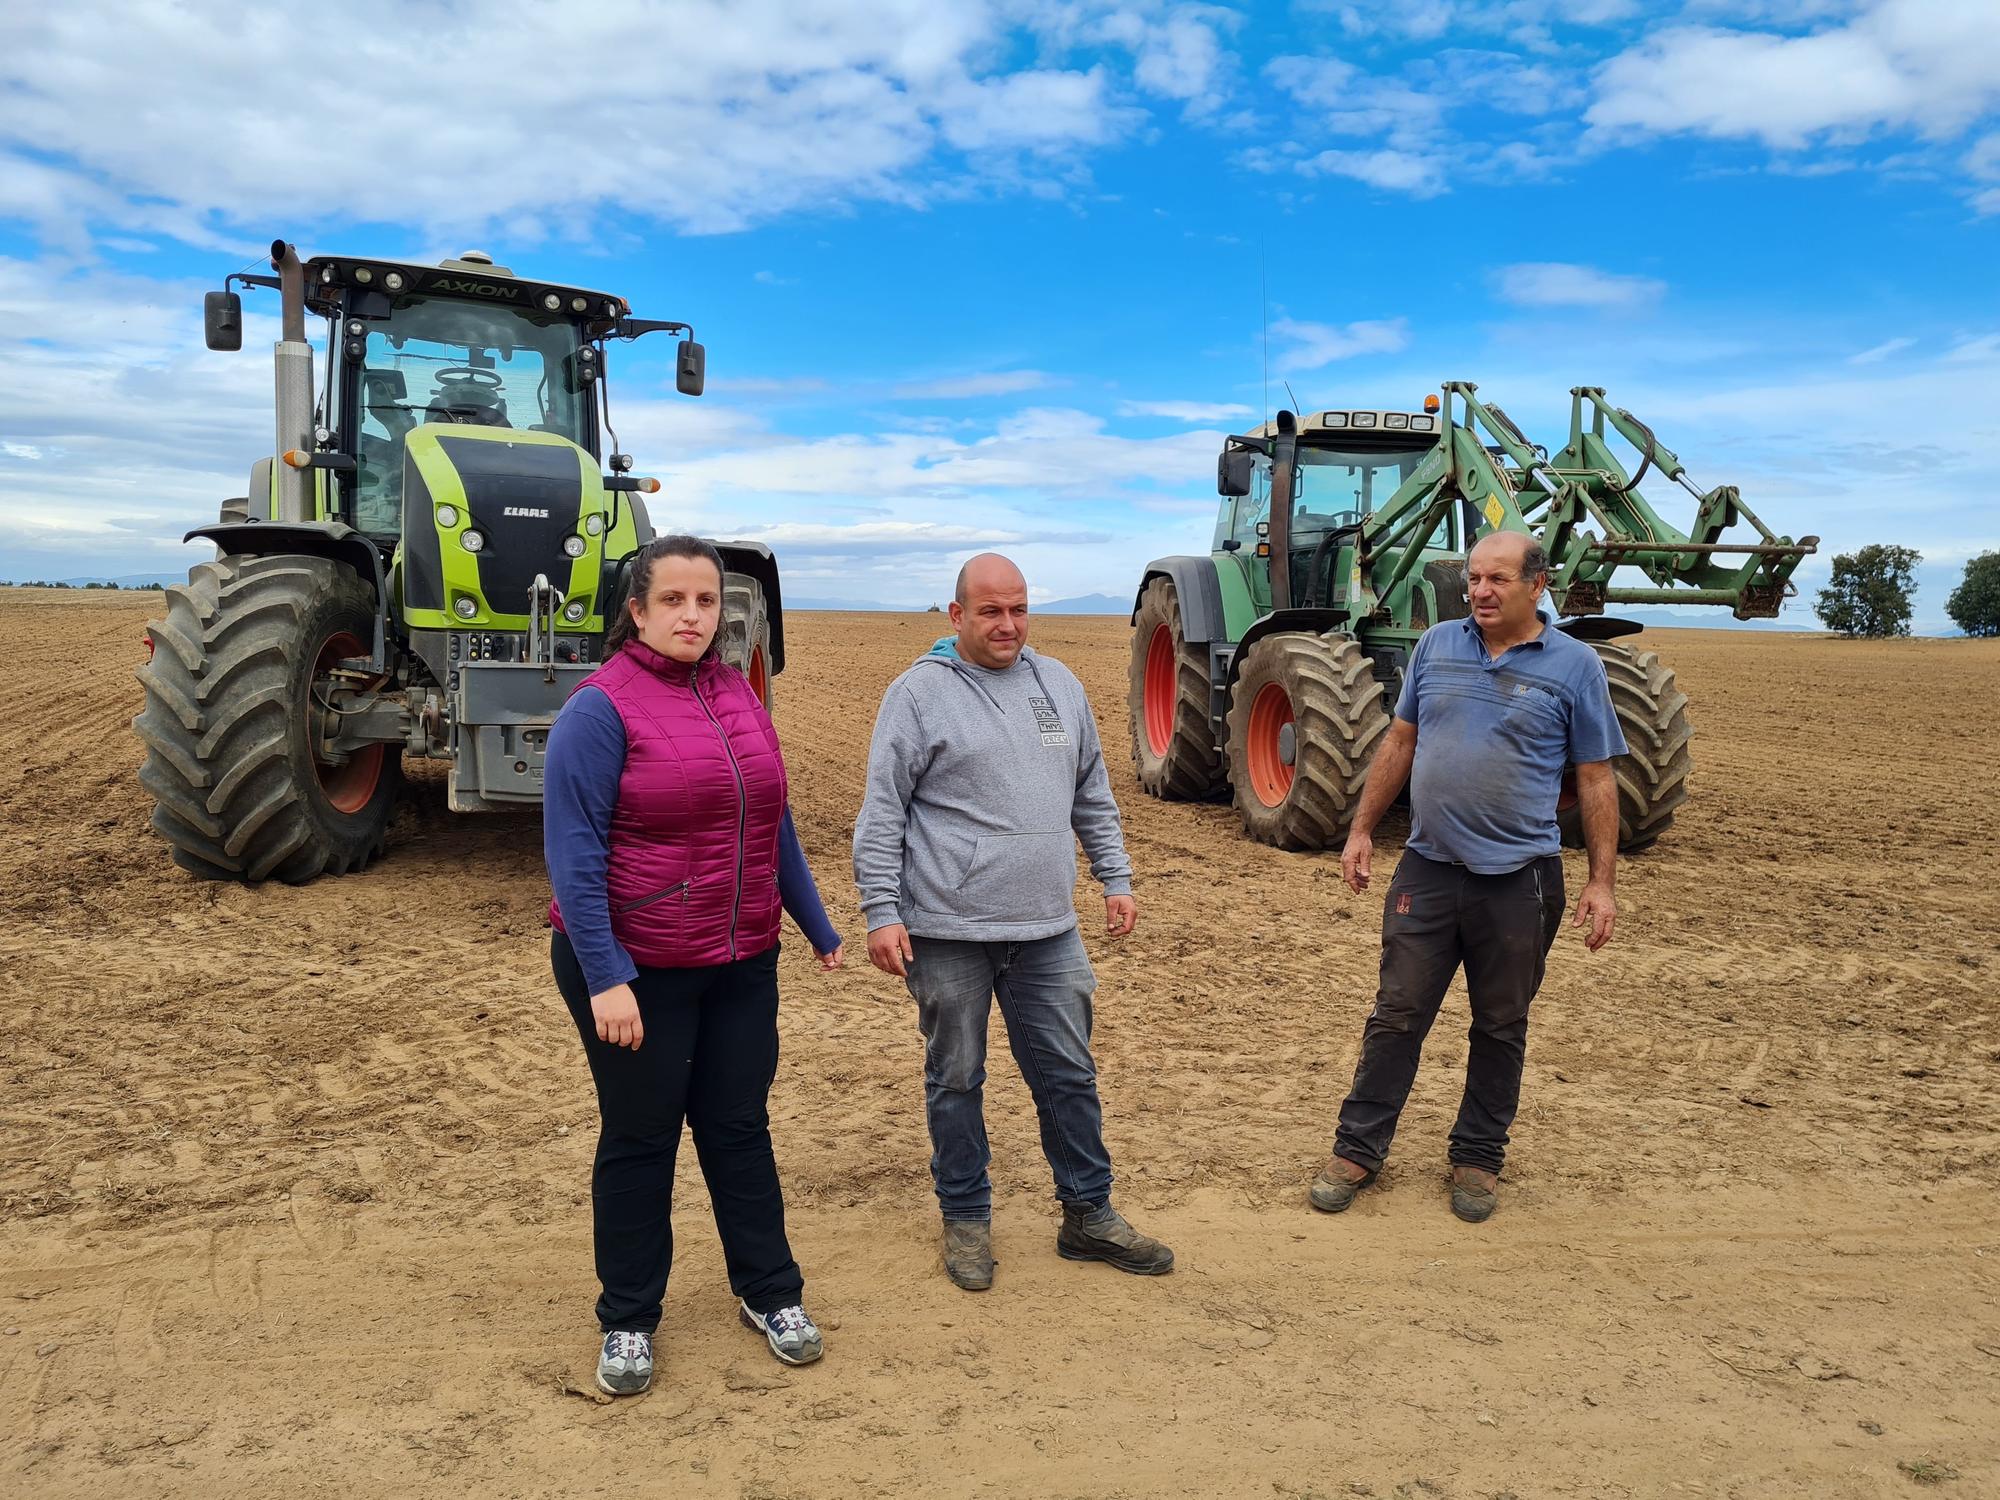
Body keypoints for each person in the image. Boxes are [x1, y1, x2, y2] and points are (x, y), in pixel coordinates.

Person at [544, 534, 844, 1398]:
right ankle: (629, 1319)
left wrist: (814, 923)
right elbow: (575, 855)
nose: (692, 616)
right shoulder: (600, 711)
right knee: (641, 1140)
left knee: (739, 1128)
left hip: (741, 956)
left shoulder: (738, 698)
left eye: (706, 602)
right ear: (635, 610)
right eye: (673, 600)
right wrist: (606, 975)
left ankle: (770, 1293)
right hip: (637, 969)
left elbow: (770, 817)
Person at [852, 552, 1173, 1290]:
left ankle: (1088, 1213)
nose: (1009, 625)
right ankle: (966, 1218)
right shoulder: (918, 695)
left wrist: (1113, 877)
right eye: (991, 611)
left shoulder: (1056, 684)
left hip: (1047, 929)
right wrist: (880, 911)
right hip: (947, 931)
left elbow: (1091, 790)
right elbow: (882, 813)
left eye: (1019, 609)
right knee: (956, 1078)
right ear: (957, 615)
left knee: (1068, 1075)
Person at [1311, 530, 1625, 1224]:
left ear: (1537, 586)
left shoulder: (1575, 667)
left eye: (1498, 580)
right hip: (1428, 866)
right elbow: (1401, 740)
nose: (1480, 591)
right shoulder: (1437, 645)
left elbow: (1598, 779)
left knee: (1501, 1025)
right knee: (1396, 1015)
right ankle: (1357, 1150)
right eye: (1474, 578)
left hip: (1520, 879)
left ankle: (1478, 1159)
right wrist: (1361, 829)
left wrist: (1602, 882)